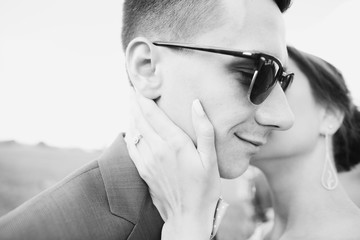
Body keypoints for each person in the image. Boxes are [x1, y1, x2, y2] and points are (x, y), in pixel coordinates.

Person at [0, 0, 294, 239]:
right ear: (147, 67)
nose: (283, 116)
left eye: (283, 80)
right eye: (255, 73)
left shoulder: (199, 209)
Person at [125, 45, 360, 240]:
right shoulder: (260, 234)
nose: (260, 105)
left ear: (330, 114)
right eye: (252, 79)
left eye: (281, 83)